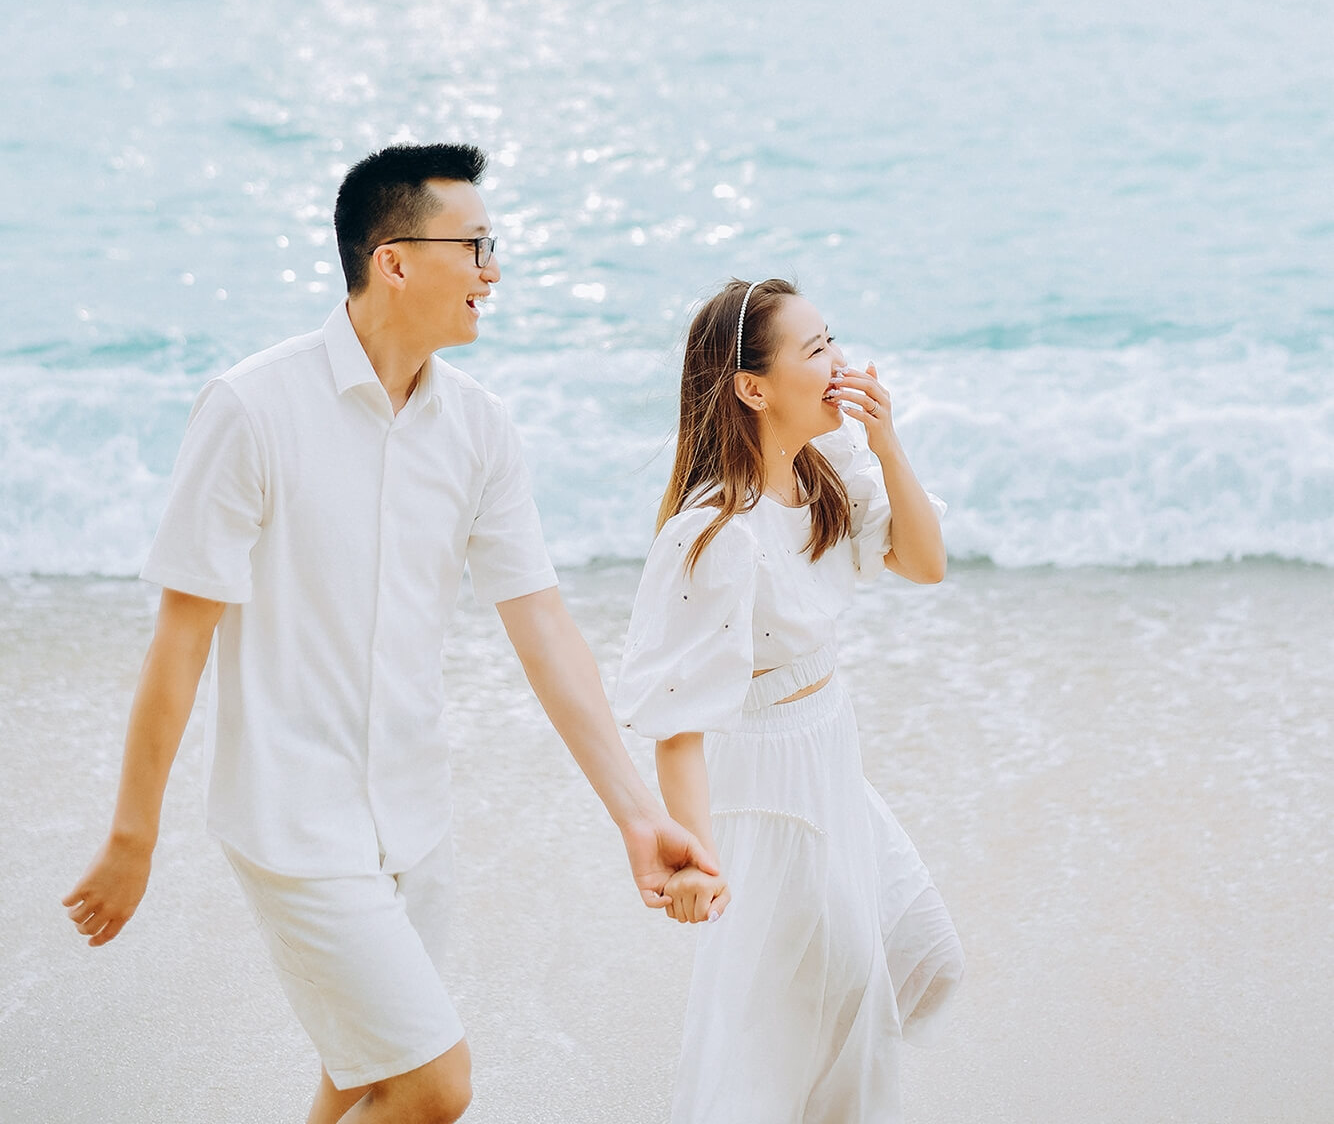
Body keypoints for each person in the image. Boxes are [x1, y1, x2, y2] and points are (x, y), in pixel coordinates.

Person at [63, 142, 718, 1124]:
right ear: (395, 259)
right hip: (292, 821)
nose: (492, 269)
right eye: (476, 244)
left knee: (365, 1078)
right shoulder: (251, 407)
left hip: (414, 819)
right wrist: (131, 838)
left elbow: (542, 627)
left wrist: (635, 813)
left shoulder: (481, 428)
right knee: (431, 1083)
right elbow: (180, 641)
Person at [615, 275, 964, 1124]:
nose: (838, 361)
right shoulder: (714, 537)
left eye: (831, 340)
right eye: (815, 350)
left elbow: (924, 564)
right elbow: (678, 722)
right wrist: (697, 856)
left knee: (918, 957)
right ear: (753, 388)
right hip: (771, 791)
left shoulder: (829, 467)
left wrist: (888, 446)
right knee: (788, 1030)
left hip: (831, 755)